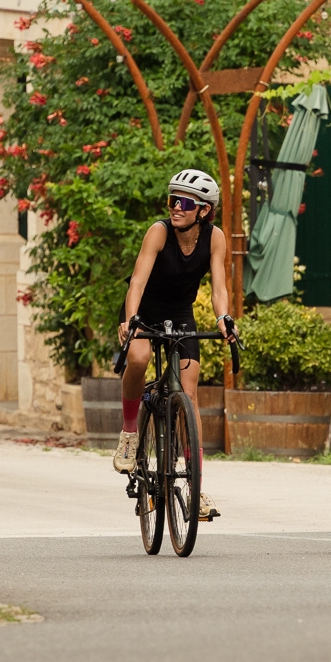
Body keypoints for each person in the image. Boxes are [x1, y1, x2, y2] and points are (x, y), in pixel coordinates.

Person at [114, 168, 237, 520]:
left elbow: (219, 288)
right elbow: (137, 282)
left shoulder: (214, 238)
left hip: (181, 314)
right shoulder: (159, 232)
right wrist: (131, 319)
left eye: (184, 202)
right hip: (144, 311)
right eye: (172, 200)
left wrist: (223, 318)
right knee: (139, 358)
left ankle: (195, 486)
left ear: (204, 210)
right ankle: (129, 433)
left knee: (189, 392)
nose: (175, 207)